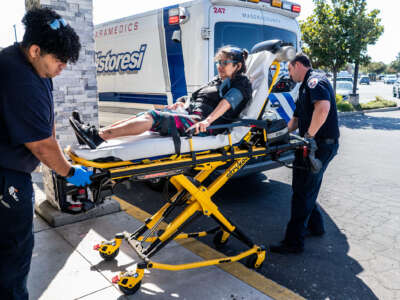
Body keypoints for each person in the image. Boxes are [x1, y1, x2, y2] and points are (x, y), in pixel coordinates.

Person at [0, 8, 93, 299]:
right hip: (6, 176)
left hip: (11, 166)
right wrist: (68, 171)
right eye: (59, 61)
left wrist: (53, 152)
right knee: (15, 249)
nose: (62, 68)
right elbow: (41, 145)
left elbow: (46, 124)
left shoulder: (35, 68)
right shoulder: (18, 77)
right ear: (35, 49)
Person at [70, 46, 252, 149]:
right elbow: (197, 98)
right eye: (218, 62)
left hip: (203, 125)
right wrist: (180, 103)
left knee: (154, 117)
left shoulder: (240, 83)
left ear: (237, 66)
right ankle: (95, 135)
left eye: (225, 63)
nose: (220, 66)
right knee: (146, 114)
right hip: (192, 116)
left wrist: (208, 121)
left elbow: (226, 103)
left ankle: (98, 136)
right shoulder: (217, 81)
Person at [270, 53, 339, 254]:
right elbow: (296, 120)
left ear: (298, 65)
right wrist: (276, 136)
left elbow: (323, 109)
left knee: (302, 192)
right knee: (304, 188)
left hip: (319, 146)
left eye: (289, 69)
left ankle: (293, 243)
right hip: (309, 145)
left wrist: (308, 136)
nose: (288, 74)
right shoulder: (303, 87)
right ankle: (315, 226)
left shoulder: (315, 81)